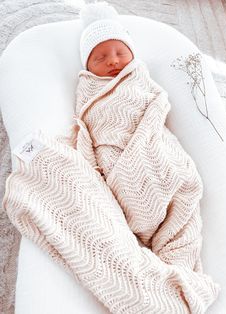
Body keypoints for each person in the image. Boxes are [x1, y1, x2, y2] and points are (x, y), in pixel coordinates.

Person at [72, 1, 206, 273]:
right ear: (87, 66)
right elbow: (86, 129)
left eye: (120, 52)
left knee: (182, 185)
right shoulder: (88, 91)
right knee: (133, 197)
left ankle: (177, 262)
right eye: (100, 58)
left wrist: (150, 123)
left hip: (153, 144)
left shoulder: (139, 77)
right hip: (118, 157)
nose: (113, 61)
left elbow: (158, 103)